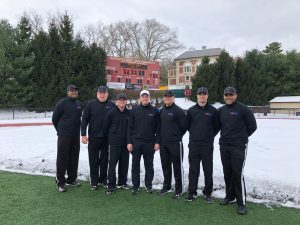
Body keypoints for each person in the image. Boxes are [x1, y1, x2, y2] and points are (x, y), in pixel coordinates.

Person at [218, 87, 257, 215]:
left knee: (237, 173)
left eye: (231, 95)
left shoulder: (243, 109)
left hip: (238, 146)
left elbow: (253, 126)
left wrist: (241, 138)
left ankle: (241, 203)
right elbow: (218, 126)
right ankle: (230, 196)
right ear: (224, 96)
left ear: (236, 95)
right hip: (224, 146)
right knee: (227, 172)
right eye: (226, 95)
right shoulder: (221, 110)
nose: (228, 97)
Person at [186, 87, 219, 203]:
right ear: (197, 96)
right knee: (193, 170)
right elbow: (188, 126)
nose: (202, 96)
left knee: (208, 170)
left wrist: (208, 136)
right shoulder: (191, 111)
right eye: (200, 94)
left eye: (204, 94)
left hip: (207, 145)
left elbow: (216, 127)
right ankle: (192, 192)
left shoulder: (213, 111)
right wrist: (196, 134)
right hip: (194, 145)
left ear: (207, 96)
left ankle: (208, 192)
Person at [81, 86, 115, 190]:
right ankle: (94, 181)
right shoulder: (90, 104)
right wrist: (83, 134)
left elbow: (115, 122)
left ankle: (103, 179)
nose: (102, 94)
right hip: (93, 137)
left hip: (106, 138)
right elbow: (84, 120)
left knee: (105, 160)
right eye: (100, 93)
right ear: (97, 94)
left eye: (104, 93)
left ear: (107, 94)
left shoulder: (112, 105)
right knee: (93, 160)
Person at [127, 90, 160, 195]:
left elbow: (158, 129)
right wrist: (129, 142)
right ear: (140, 98)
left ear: (149, 98)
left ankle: (148, 185)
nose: (145, 98)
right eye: (143, 97)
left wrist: (157, 142)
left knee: (149, 165)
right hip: (136, 142)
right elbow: (129, 128)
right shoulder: (134, 111)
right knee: (135, 165)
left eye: (146, 97)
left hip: (150, 143)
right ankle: (135, 186)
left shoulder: (155, 111)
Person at [52, 84, 82, 192]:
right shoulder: (62, 103)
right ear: (67, 92)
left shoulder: (78, 104)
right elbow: (54, 119)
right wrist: (60, 130)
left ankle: (71, 179)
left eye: (75, 90)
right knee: (62, 158)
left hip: (75, 136)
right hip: (64, 136)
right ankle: (60, 182)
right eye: (72, 90)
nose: (74, 92)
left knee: (74, 158)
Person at [159, 90, 187, 199]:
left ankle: (179, 189)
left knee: (177, 166)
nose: (168, 98)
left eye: (170, 96)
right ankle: (167, 186)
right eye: (166, 96)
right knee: (165, 165)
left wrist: (176, 136)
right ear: (164, 98)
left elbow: (183, 127)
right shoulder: (161, 111)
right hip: (164, 143)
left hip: (175, 144)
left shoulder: (178, 111)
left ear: (173, 98)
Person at [103, 93, 131, 194]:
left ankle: (122, 182)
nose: (122, 101)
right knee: (112, 165)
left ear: (126, 101)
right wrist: (111, 138)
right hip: (114, 143)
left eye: (124, 100)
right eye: (120, 99)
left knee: (124, 164)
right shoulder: (111, 113)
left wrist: (129, 142)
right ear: (117, 101)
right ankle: (111, 184)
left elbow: (130, 129)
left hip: (125, 144)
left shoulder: (129, 113)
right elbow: (106, 128)